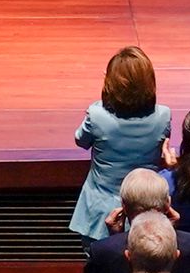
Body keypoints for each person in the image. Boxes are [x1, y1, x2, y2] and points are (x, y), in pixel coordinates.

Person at [72, 45, 171, 239]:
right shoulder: (163, 116)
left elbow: (81, 141)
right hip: (147, 214)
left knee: (101, 266)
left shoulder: (97, 114)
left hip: (100, 213)